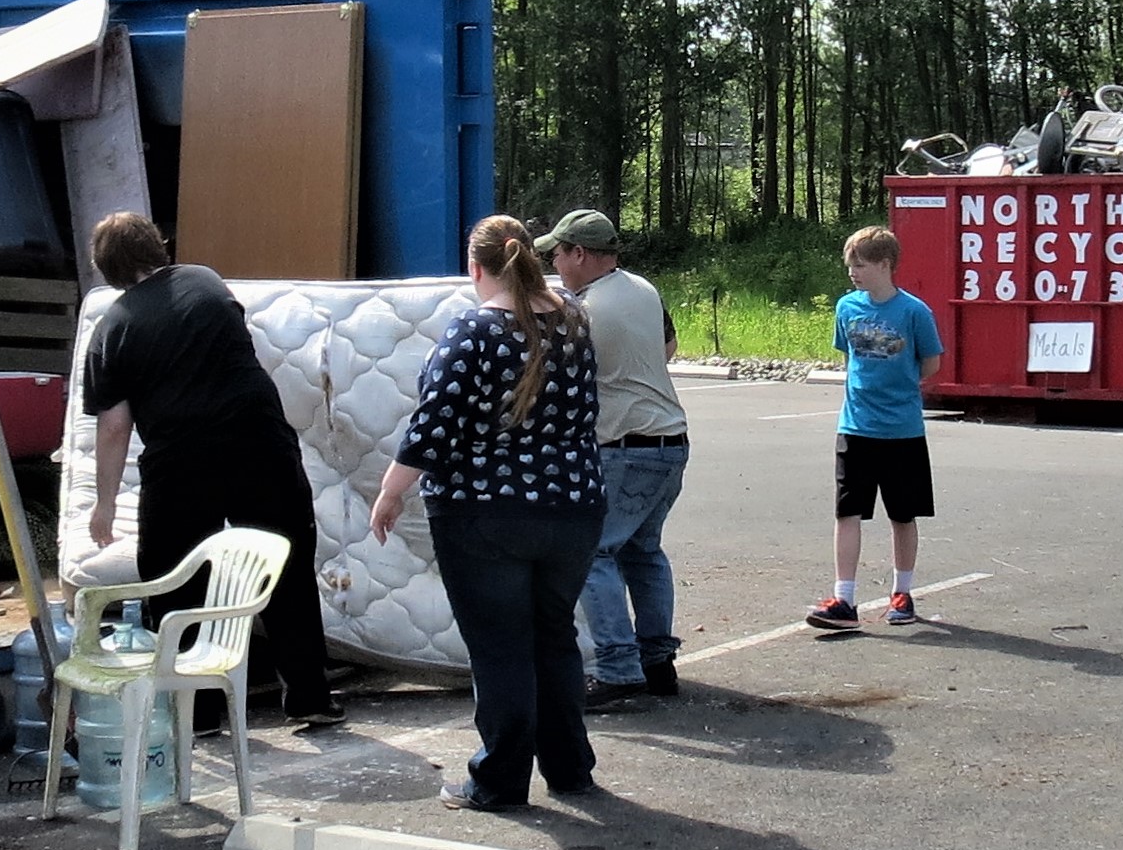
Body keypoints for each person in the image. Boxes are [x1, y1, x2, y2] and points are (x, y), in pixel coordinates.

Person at [371, 216, 607, 811]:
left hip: (485, 510)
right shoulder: (575, 321)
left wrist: (392, 490)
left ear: (476, 268)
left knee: (501, 647)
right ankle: (570, 769)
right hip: (573, 505)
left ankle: (499, 780)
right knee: (554, 638)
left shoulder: (474, 328)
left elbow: (435, 421)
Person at [79, 212, 340, 730]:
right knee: (284, 566)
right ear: (157, 246)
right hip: (258, 440)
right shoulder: (204, 281)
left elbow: (114, 427)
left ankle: (196, 712)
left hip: (180, 462)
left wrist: (104, 503)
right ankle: (309, 695)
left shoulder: (112, 329)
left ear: (105, 268)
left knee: (176, 581)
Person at [539, 209, 686, 710]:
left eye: (558, 254)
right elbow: (668, 345)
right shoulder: (643, 289)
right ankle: (657, 661)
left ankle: (618, 668)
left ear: (580, 253)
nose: (555, 265)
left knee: (592, 552)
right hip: (671, 439)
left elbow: (555, 376)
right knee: (643, 552)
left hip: (625, 445)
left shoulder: (582, 309)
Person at [806, 225, 943, 631]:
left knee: (902, 514)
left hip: (902, 431)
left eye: (861, 265)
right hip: (856, 428)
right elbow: (850, 358)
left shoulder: (914, 312)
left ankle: (902, 593)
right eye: (850, 265)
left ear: (885, 265)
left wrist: (898, 388)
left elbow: (931, 363)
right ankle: (844, 599)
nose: (853, 272)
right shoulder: (847, 307)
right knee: (847, 512)